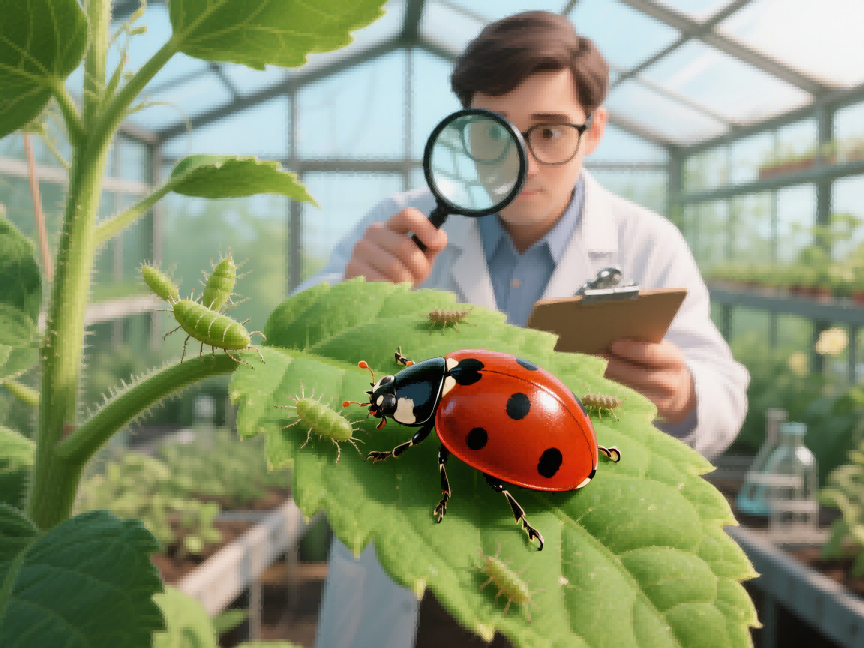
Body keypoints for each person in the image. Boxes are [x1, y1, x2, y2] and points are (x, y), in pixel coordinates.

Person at [291, 10, 750, 648]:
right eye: (494, 134)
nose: (525, 164)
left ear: (594, 133)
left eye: (551, 132)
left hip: (565, 552)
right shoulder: (397, 224)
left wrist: (685, 393)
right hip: (419, 548)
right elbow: (287, 363)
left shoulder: (646, 244)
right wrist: (346, 291)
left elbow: (724, 393)